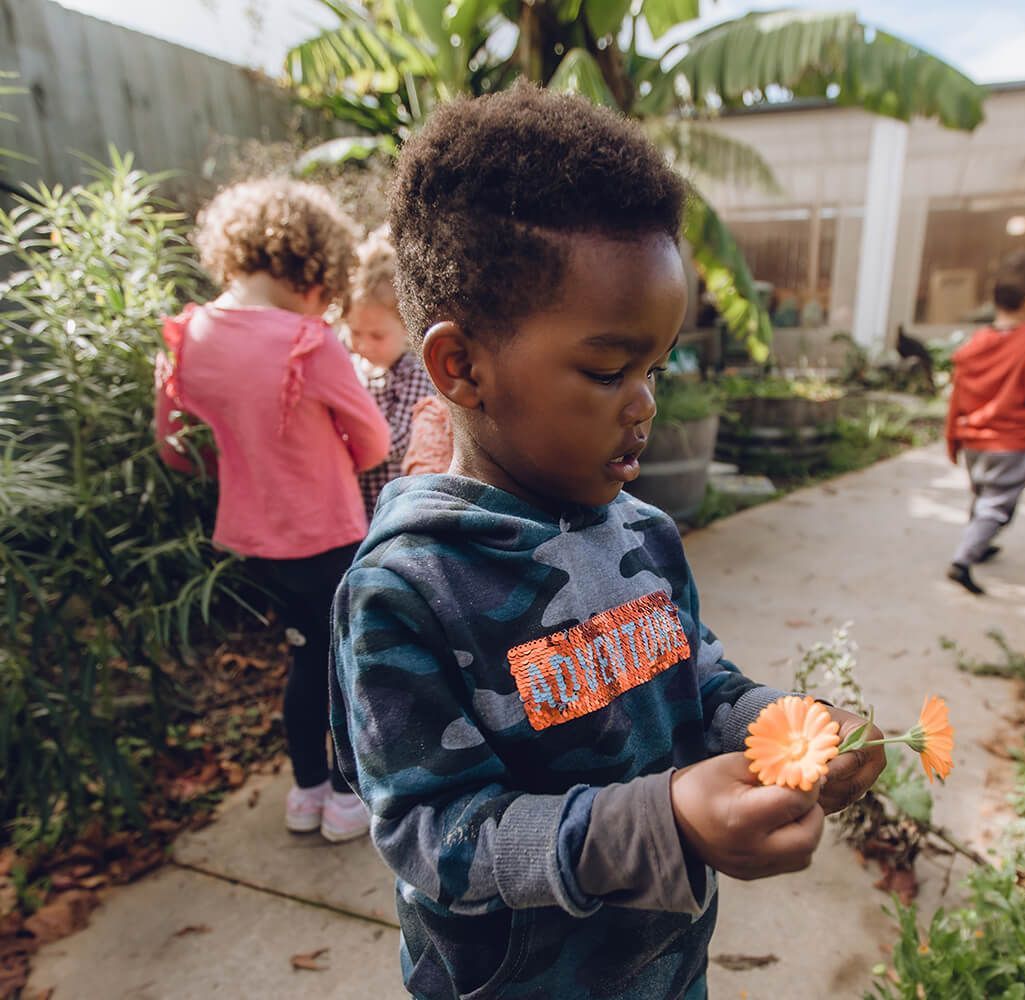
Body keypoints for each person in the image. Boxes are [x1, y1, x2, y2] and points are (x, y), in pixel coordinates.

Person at [329, 84, 886, 1000]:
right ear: (460, 366)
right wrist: (659, 823)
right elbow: (434, 834)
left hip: (663, 969)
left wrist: (783, 728)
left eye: (655, 367)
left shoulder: (645, 535)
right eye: (605, 368)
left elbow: (692, 678)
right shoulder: (407, 590)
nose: (645, 404)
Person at [154, 177, 389, 843]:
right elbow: (372, 442)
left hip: (257, 546)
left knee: (302, 653)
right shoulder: (306, 342)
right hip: (332, 535)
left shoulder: (186, 337)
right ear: (308, 273)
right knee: (347, 661)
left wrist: (242, 463)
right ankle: (347, 799)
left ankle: (306, 789)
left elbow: (175, 450)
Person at [943, 251, 1025, 596]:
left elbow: (957, 396)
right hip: (1011, 444)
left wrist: (952, 435)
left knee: (982, 497)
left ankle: (980, 542)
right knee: (998, 506)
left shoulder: (974, 345)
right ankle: (963, 559)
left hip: (974, 444)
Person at [344, 226, 439, 517]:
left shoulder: (413, 372)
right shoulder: (353, 365)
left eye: (376, 336)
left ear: (407, 329)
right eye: (355, 332)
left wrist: (345, 448)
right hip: (359, 498)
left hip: (395, 501)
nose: (363, 344)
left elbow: (397, 440)